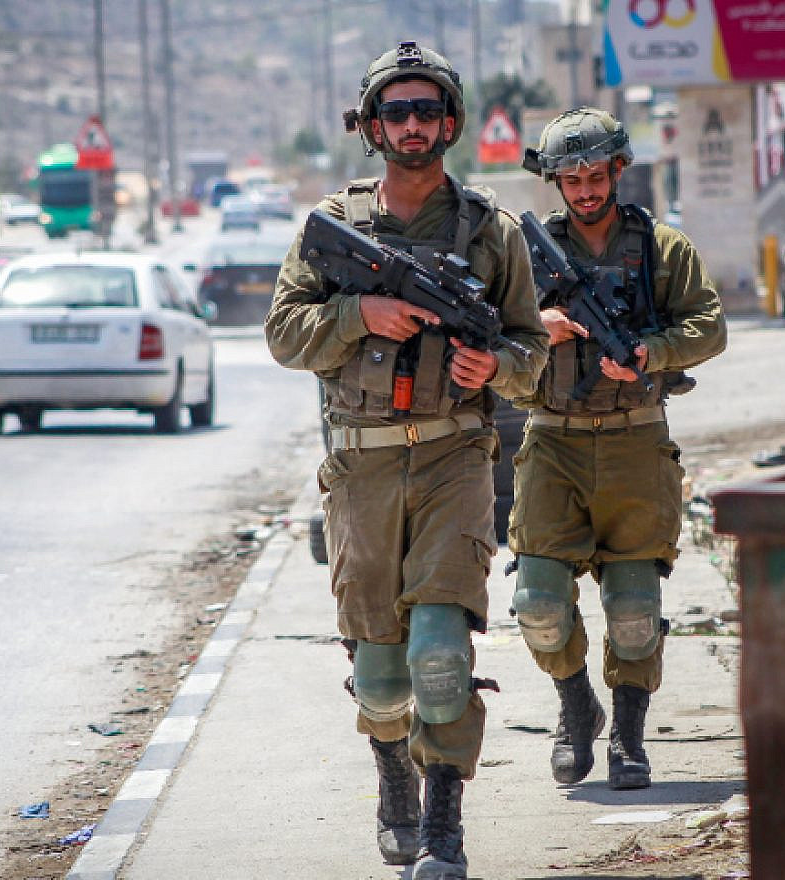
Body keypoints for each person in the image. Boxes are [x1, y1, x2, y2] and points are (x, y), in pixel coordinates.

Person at [266, 41, 548, 879]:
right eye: (398, 111)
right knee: (383, 676)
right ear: (371, 125)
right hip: (361, 468)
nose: (414, 125)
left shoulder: (492, 232)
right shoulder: (334, 229)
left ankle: (444, 824)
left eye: (428, 111)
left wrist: (494, 366)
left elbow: (533, 350)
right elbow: (284, 335)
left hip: (457, 459)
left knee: (439, 651)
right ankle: (392, 767)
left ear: (452, 123)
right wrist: (361, 315)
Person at [513, 108, 726, 791]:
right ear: (554, 181)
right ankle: (576, 706)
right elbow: (488, 340)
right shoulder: (525, 257)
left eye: (595, 175)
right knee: (539, 604)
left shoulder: (664, 248)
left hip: (637, 442)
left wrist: (650, 352)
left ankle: (628, 739)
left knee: (634, 614)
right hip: (551, 443)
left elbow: (709, 328)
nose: (583, 190)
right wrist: (539, 329)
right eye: (570, 178)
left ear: (618, 170)